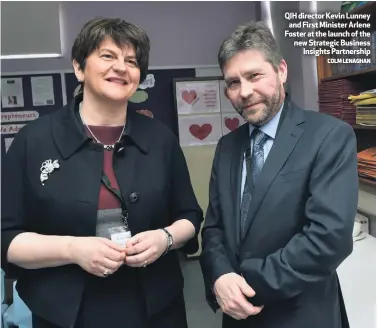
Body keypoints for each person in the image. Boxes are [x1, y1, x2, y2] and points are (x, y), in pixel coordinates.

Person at [1, 18, 203, 328]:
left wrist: (165, 238)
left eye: (131, 61)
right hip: (65, 313)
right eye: (108, 56)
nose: (121, 67)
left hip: (156, 308)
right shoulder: (34, 141)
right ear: (79, 68)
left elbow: (190, 215)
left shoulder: (160, 139)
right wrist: (72, 249)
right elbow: (6, 238)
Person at [200, 21, 358, 328]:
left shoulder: (328, 136)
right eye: (233, 83)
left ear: (281, 70)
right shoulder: (227, 147)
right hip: (238, 317)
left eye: (254, 76)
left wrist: (244, 283)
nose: (245, 92)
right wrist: (219, 278)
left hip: (301, 314)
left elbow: (328, 239)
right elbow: (214, 228)